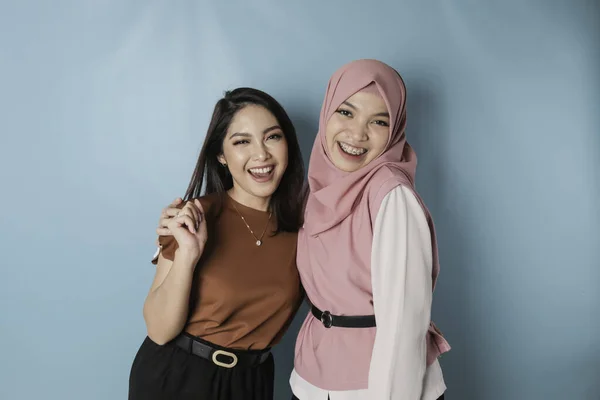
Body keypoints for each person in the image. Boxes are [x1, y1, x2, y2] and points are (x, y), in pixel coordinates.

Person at [128, 87, 306, 400]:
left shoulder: (308, 227)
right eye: (242, 141)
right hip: (178, 377)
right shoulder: (194, 215)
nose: (261, 154)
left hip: (252, 382)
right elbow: (158, 329)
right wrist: (188, 255)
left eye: (273, 137)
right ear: (221, 155)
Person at [289, 59, 450, 399]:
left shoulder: (391, 196)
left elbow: (405, 325)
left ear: (394, 131)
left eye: (379, 121)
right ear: (327, 112)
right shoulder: (318, 186)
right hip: (313, 379)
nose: (357, 134)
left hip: (377, 386)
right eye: (345, 113)